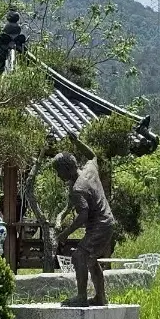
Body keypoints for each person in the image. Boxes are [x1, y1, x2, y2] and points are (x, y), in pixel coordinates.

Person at [52, 131, 115, 307]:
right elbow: (92, 155)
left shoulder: (78, 189)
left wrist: (65, 233)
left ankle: (81, 296)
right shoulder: (90, 169)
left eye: (59, 172)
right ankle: (100, 297)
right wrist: (77, 141)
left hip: (99, 225)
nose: (59, 176)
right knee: (90, 258)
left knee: (79, 256)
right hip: (107, 221)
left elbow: (83, 215)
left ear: (66, 169)